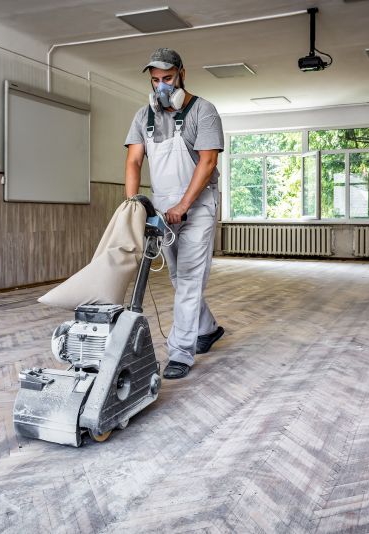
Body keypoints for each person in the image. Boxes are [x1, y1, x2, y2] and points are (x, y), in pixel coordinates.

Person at [124, 48, 225, 379]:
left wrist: (183, 205)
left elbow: (208, 162)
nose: (161, 86)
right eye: (155, 80)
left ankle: (181, 352)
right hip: (162, 206)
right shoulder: (143, 117)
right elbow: (134, 161)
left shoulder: (203, 111)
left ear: (182, 74)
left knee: (190, 278)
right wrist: (133, 205)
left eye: (167, 78)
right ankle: (207, 329)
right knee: (178, 278)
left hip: (197, 205)